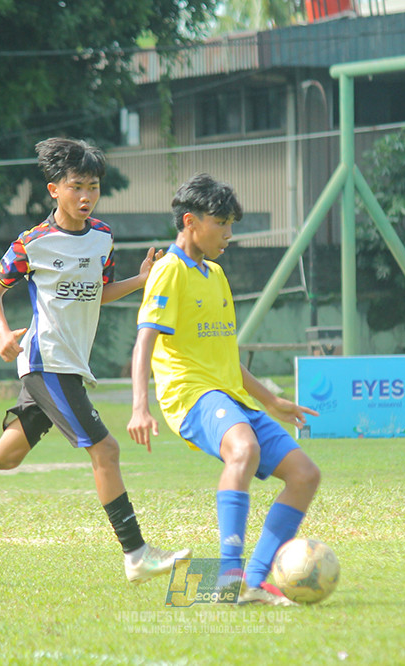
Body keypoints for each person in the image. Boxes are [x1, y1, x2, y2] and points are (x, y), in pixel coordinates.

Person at [0, 137, 189, 583]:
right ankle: (135, 554)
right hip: (47, 363)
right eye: (76, 186)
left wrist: (140, 279)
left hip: (69, 364)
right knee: (107, 449)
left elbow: (97, 293)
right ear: (53, 190)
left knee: (6, 455)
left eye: (93, 187)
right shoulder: (33, 243)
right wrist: (3, 333)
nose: (86, 196)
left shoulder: (102, 237)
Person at [127, 173, 321, 607]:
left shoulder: (215, 275)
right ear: (191, 221)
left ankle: (252, 581)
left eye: (232, 224)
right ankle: (228, 578)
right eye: (223, 224)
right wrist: (140, 407)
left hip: (230, 395)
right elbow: (144, 341)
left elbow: (225, 355)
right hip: (190, 395)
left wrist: (271, 401)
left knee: (305, 475)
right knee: (243, 450)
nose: (230, 235)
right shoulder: (168, 272)